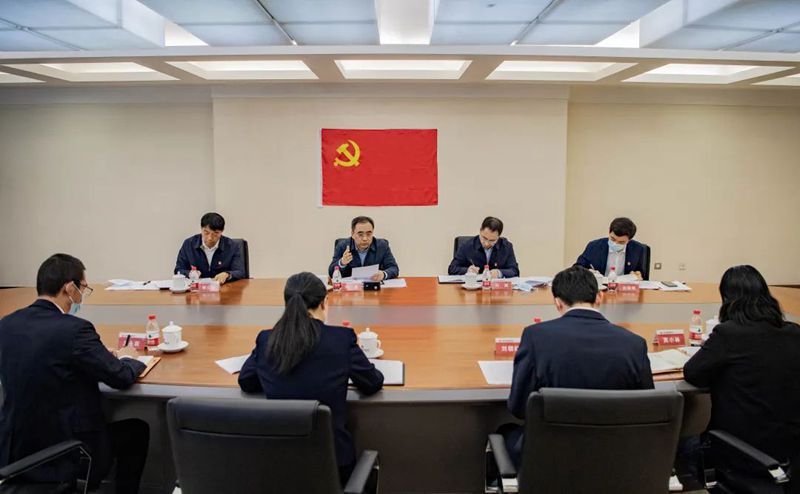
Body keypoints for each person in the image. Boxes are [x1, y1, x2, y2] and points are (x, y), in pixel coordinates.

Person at [0, 254, 148, 493]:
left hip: (15, 455)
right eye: (83, 288)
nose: (82, 295)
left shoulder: (7, 324)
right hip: (66, 453)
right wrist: (130, 358)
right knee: (136, 431)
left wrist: (96, 354)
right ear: (70, 288)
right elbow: (120, 376)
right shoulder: (75, 330)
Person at [238, 272, 384, 483]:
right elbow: (372, 383)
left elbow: (246, 381)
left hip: (278, 465)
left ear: (287, 305)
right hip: (334, 466)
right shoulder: (341, 339)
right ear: (324, 303)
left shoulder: (267, 339)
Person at [504, 265, 653, 466]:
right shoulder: (635, 344)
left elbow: (519, 407)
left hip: (551, 457)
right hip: (616, 458)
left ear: (557, 303)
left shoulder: (535, 336)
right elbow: (646, 410)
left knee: (506, 432)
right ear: (599, 298)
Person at [683, 265, 800, 480]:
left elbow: (692, 373)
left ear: (727, 300)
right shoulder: (794, 332)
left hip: (740, 450)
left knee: (683, 446)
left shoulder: (729, 334)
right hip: (789, 451)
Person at [175, 212, 245, 284]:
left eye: (215, 233)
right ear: (201, 228)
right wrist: (190, 273)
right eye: (206, 232)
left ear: (222, 231)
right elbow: (178, 270)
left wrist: (227, 274)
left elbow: (240, 272)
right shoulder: (189, 244)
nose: (210, 238)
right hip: (197, 288)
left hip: (223, 288)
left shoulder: (232, 246)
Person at [328, 216, 399, 281]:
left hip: (373, 287)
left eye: (369, 234)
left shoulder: (382, 246)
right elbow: (331, 273)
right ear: (352, 234)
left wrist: (383, 274)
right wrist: (342, 262)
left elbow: (394, 268)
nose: (365, 238)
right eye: (360, 234)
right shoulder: (342, 246)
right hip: (350, 289)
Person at [574, 217, 647, 279]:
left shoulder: (638, 249)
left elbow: (641, 273)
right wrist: (589, 272)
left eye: (621, 242)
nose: (615, 244)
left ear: (629, 240)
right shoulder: (594, 246)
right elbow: (577, 268)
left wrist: (638, 275)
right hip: (599, 287)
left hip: (625, 288)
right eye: (613, 239)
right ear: (609, 231)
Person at [448, 216, 519, 279]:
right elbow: (452, 269)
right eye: (484, 238)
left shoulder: (506, 247)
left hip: (496, 288)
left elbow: (515, 271)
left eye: (492, 240)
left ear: (498, 237)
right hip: (473, 287)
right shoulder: (467, 245)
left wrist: (499, 272)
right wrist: (467, 270)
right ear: (480, 231)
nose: (487, 243)